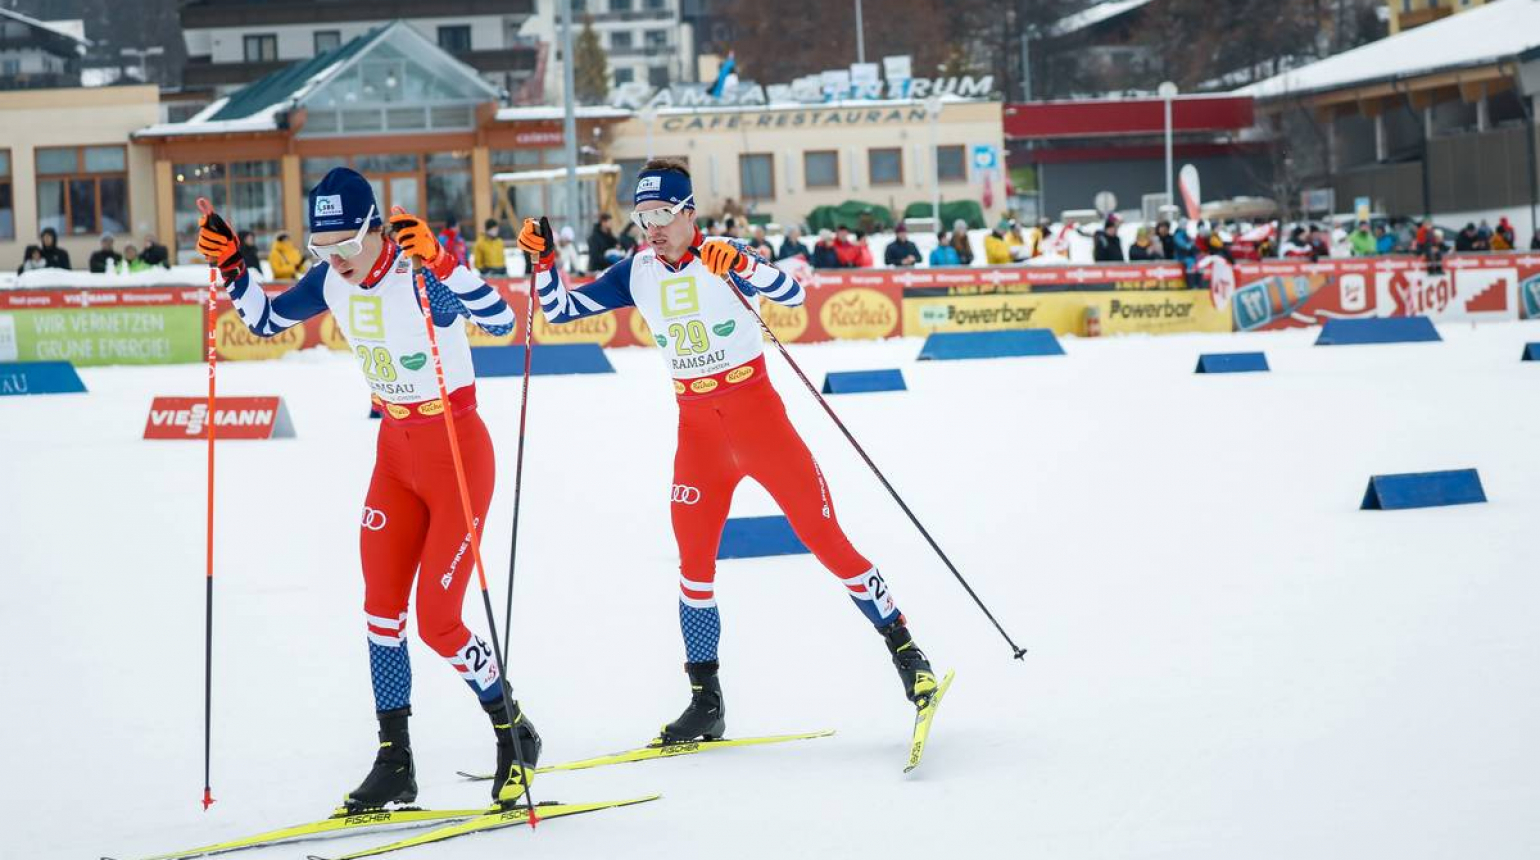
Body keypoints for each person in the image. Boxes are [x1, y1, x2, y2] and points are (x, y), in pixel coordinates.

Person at [517, 157, 939, 743]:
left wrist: (743, 263)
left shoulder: (724, 255)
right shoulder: (635, 270)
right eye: (644, 216)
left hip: (760, 424)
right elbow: (559, 310)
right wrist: (539, 264)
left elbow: (792, 293)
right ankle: (705, 701)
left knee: (828, 541)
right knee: (693, 570)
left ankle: (909, 658)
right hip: (698, 437)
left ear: (691, 213)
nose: (654, 226)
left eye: (664, 213)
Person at [193, 167, 539, 811]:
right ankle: (395, 760)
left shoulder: (421, 272)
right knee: (382, 613)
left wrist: (445, 263)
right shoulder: (330, 278)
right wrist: (235, 268)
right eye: (324, 250)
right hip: (395, 455)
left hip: (458, 453)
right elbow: (267, 322)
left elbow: (501, 321)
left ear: (377, 229)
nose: (337, 263)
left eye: (347, 246)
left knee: (439, 623)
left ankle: (512, 729)